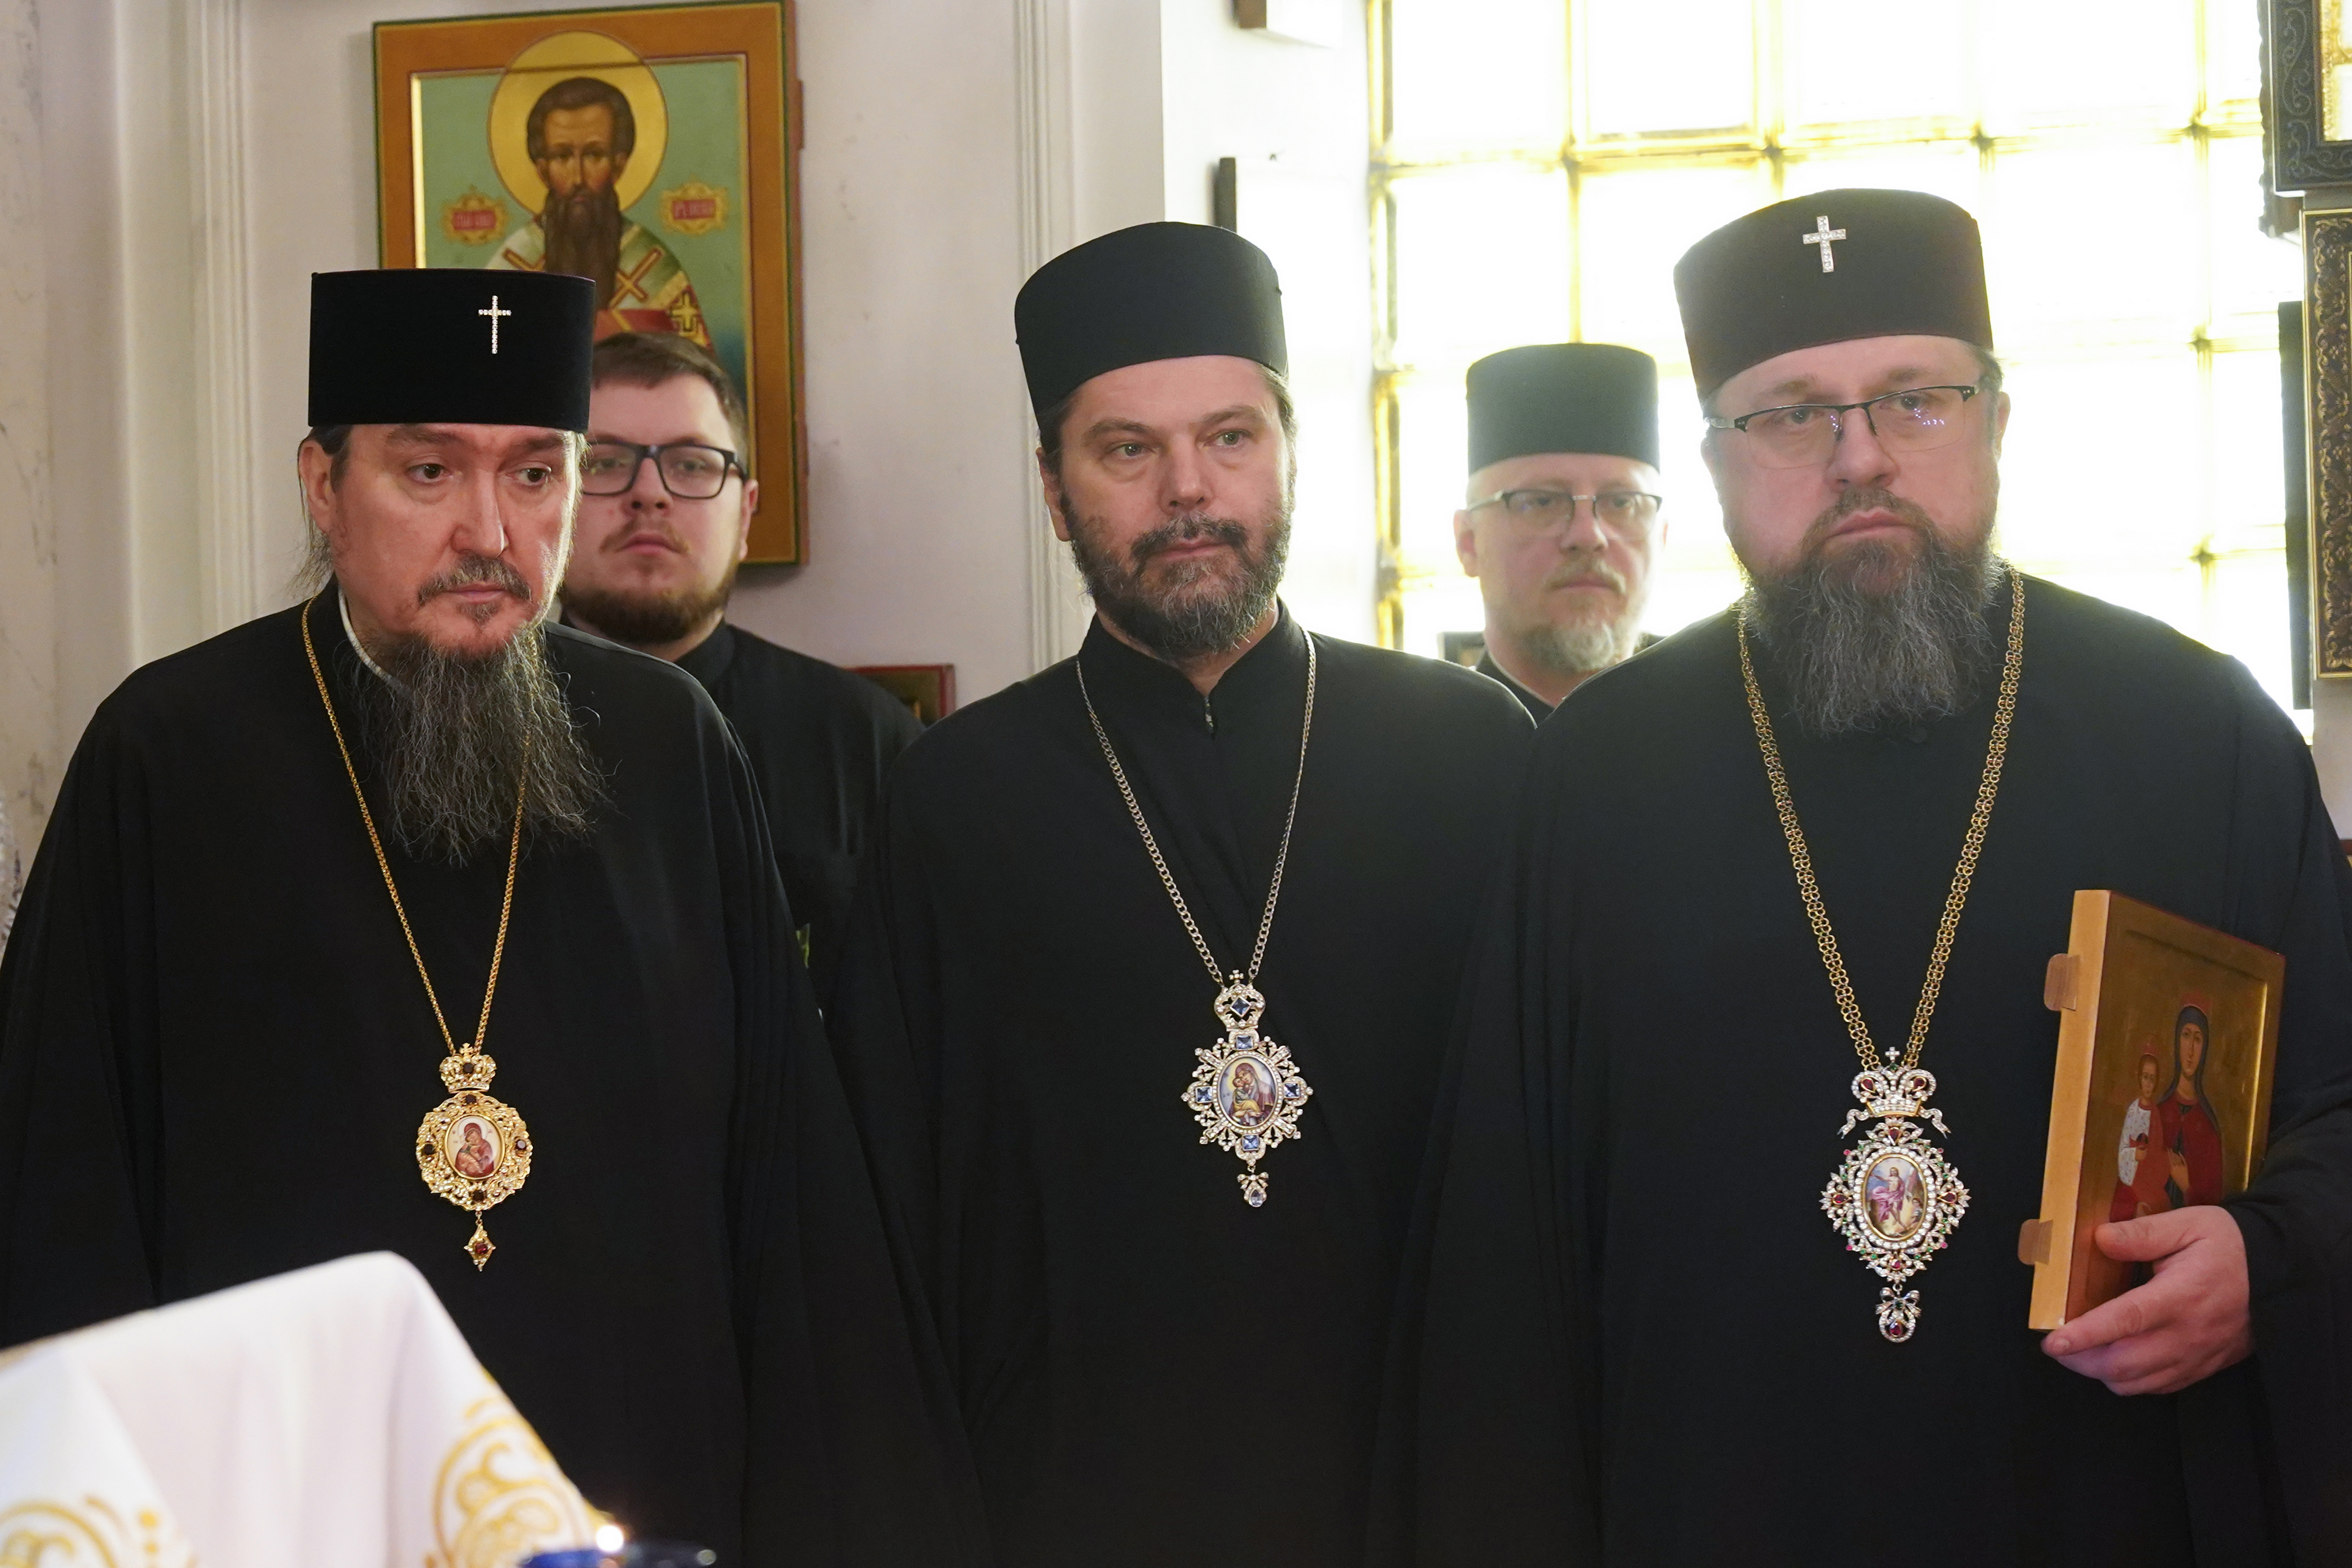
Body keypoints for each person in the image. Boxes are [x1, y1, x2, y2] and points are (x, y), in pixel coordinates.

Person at [1387, 189, 2352, 1564]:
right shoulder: (1595, 778)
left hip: (2104, 1498)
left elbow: (2335, 1097)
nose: (1860, 459)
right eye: (1790, 416)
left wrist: (2272, 1258)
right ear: (1715, 464)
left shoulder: (2193, 730)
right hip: (1719, 1504)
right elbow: (1507, 1242)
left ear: (1994, 424)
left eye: (1914, 400)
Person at [0, 269, 977, 1566]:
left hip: (640, 1477)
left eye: (533, 473)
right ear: (322, 486)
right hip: (292, 1501)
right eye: (428, 473)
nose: (490, 531)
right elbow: (64, 1195)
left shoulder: (669, 745)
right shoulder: (168, 752)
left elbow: (782, 1192)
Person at [826, 221, 1532, 1567]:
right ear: (1053, 490)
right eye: (1125, 450)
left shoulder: (1472, 756)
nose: (1187, 489)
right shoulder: (955, 799)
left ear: (1289, 455)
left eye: (1229, 438)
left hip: (1416, 1487)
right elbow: (891, 1229)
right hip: (1070, 1498)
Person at [560, 331, 923, 984]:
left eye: (692, 464)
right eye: (604, 462)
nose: (650, 493)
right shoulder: (462, 733)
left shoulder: (868, 741)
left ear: (747, 514)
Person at [1452, 343, 1665, 721]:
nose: (1587, 536)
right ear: (1469, 543)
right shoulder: (1416, 747)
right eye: (1541, 502)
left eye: (1622, 503)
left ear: (1661, 539)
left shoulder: (1731, 738)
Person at [490, 77, 706, 345]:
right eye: (562, 156)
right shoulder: (511, 266)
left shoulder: (654, 268)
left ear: (619, 164)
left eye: (594, 155)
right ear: (542, 169)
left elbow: (694, 365)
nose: (578, 178)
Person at [2159, 1001, 2226, 1209]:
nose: (2190, 1050)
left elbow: (2213, 1206)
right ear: (2176, 1041)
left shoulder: (2208, 1127)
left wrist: (2186, 1185)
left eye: (2198, 1040)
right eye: (2186, 1035)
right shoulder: (2158, 1113)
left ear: (2204, 1049)